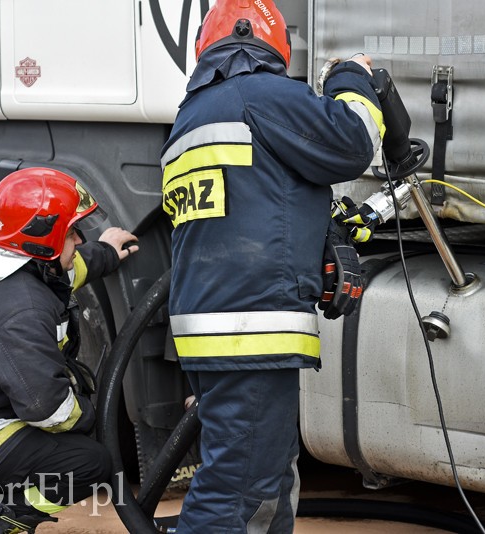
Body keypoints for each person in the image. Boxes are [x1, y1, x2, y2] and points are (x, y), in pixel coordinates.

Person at [159, 0, 384, 531]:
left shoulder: (190, 117)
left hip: (212, 331)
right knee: (238, 493)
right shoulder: (262, 95)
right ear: (270, 45)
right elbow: (351, 142)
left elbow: (253, 204)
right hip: (251, 331)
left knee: (264, 481)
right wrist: (351, 76)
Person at [0, 167, 139, 533]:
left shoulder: (13, 264)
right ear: (45, 242)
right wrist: (91, 418)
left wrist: (107, 251)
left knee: (63, 436)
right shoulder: (20, 307)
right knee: (86, 461)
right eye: (71, 233)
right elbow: (46, 408)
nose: (77, 241)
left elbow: (69, 271)